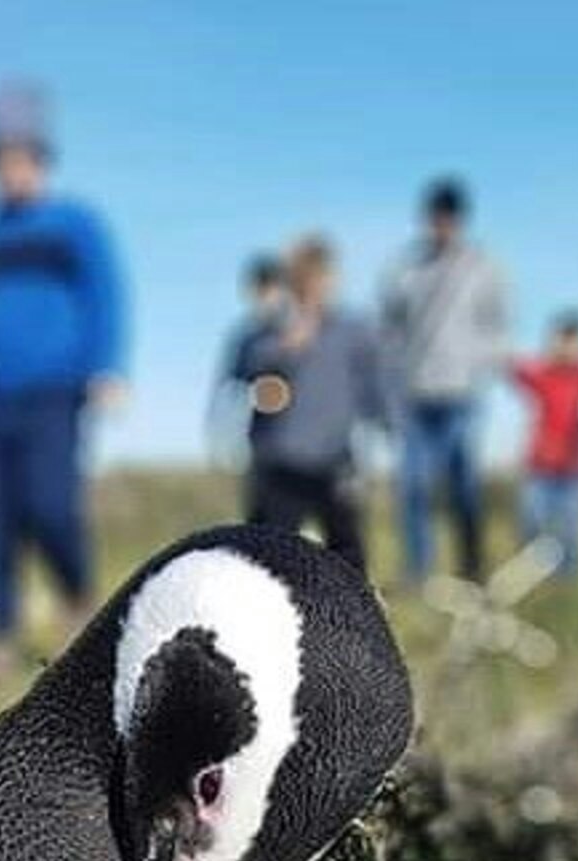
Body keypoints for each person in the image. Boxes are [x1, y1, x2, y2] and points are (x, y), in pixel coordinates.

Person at [0, 80, 127, 669]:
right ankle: (0, 630)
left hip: (57, 389)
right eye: (0, 159)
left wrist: (109, 366)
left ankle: (76, 592)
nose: (12, 170)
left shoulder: (76, 226)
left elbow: (106, 296)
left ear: (41, 157)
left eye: (23, 157)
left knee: (50, 505)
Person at [380, 176, 510, 585]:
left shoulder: (483, 268)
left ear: (460, 219)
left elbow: (498, 325)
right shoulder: (406, 269)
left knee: (463, 486)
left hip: (463, 394)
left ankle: (473, 568)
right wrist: (392, 375)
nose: (442, 225)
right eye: (435, 217)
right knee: (414, 486)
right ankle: (418, 572)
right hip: (415, 393)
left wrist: (480, 367)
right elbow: (389, 326)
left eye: (449, 217)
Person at [233, 236, 390, 570]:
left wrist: (387, 419)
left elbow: (373, 381)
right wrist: (284, 348)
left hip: (334, 457)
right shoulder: (270, 328)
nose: (314, 287)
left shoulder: (354, 328)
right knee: (270, 551)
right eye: (304, 278)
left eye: (320, 277)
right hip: (280, 459)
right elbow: (245, 369)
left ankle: (353, 616)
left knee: (347, 547)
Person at [509, 309, 578, 577]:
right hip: (540, 464)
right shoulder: (543, 373)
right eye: (562, 340)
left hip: (574, 467)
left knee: (572, 528)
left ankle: (568, 578)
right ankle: (532, 572)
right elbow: (517, 370)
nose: (567, 347)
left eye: (574, 341)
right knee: (531, 520)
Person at [208, 254, 287, 465]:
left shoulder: (304, 332)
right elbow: (228, 392)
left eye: (270, 289)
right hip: (262, 446)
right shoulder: (246, 339)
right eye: (260, 291)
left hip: (306, 445)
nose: (266, 298)